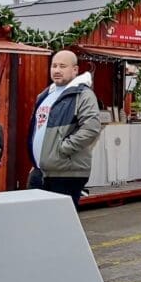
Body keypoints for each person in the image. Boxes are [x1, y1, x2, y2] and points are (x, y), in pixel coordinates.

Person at [28, 50, 102, 210]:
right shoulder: (45, 94)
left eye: (62, 66)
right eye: (54, 66)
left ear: (75, 70)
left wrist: (61, 150)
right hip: (41, 171)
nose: (57, 70)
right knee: (34, 221)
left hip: (66, 173)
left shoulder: (83, 95)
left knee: (60, 225)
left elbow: (91, 128)